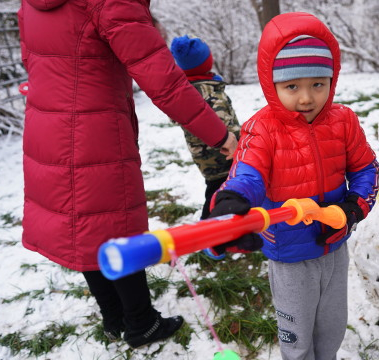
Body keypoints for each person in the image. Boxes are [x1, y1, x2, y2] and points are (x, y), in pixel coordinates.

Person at [17, 0, 237, 348]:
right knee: (114, 225)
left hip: (47, 121)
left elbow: (30, 55)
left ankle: (114, 318)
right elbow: (163, 80)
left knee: (87, 226)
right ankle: (141, 323)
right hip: (94, 129)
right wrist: (220, 134)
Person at [207, 12, 379, 360]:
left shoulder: (343, 121)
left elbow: (366, 168)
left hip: (334, 246)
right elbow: (248, 174)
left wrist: (349, 209)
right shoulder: (263, 128)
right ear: (272, 85)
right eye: (292, 86)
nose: (306, 98)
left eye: (318, 84)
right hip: (288, 254)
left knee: (332, 327)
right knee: (297, 333)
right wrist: (231, 202)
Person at [169, 35, 241, 220]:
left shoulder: (189, 88)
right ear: (207, 61)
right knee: (218, 190)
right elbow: (219, 121)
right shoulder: (205, 91)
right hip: (221, 154)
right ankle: (209, 228)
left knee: (219, 188)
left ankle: (224, 223)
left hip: (206, 155)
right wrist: (239, 140)